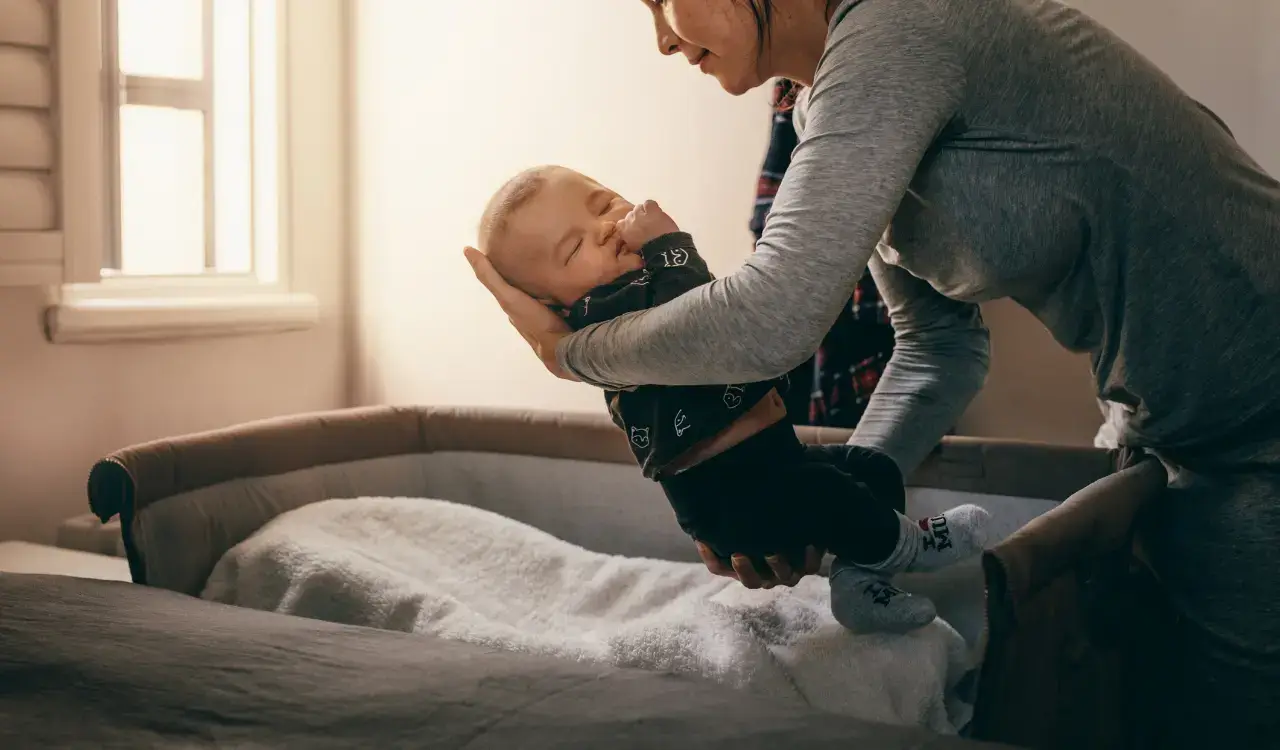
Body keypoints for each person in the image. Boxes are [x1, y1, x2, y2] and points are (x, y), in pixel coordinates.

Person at [464, 0, 1280, 743]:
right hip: (1173, 423)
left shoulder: (901, 22)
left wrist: (568, 351)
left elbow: (771, 320)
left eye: (659, 0)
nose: (663, 40)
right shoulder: (825, 105)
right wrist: (845, 509)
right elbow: (937, 347)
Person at [473, 164, 992, 633]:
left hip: (772, 467)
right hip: (734, 500)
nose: (606, 227)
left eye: (604, 203)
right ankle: (910, 546)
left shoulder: (643, 288)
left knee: (871, 468)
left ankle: (859, 585)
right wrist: (668, 240)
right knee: (830, 495)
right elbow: (697, 318)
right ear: (553, 304)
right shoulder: (604, 315)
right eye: (573, 248)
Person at [751, 78, 895, 429]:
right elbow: (772, 203)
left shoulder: (892, 52)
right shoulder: (792, 80)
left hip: (878, 309)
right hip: (802, 303)